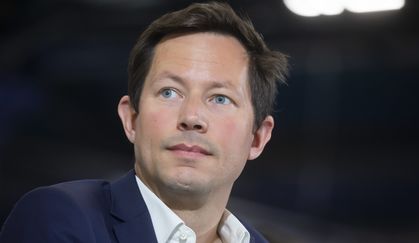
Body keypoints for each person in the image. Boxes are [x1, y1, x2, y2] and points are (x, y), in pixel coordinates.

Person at [0, 2, 288, 243]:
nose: (191, 118)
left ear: (257, 138)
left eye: (220, 98)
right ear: (131, 119)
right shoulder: (61, 219)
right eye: (169, 92)